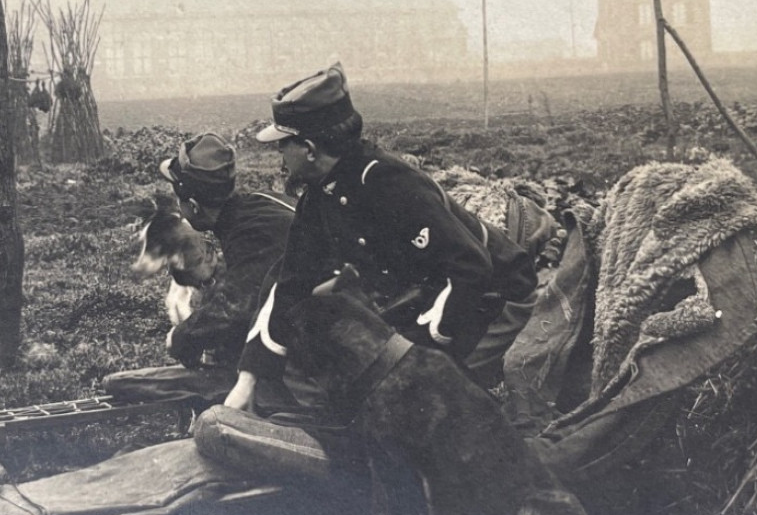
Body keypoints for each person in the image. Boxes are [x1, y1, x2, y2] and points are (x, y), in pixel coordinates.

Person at [226, 63, 541, 410]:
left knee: (429, 403)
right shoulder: (319, 196)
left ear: (310, 148)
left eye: (283, 144)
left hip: (492, 298)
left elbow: (471, 268)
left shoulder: (388, 182)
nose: (279, 155)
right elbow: (292, 282)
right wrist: (248, 379)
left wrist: (420, 354)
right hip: (427, 298)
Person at [104, 133, 304, 407]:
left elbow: (234, 310)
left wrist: (181, 338)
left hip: (305, 372)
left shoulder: (250, 233)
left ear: (194, 206)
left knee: (122, 384)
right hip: (304, 343)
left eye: (180, 201)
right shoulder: (260, 205)